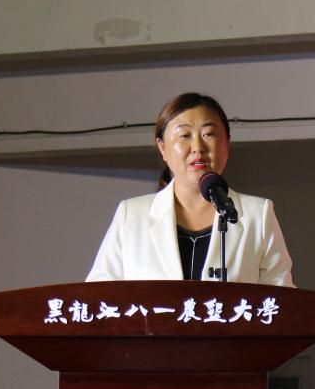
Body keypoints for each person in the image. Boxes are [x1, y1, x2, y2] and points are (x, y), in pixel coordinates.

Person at [87, 92, 295, 286]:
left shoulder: (258, 214)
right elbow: (98, 298)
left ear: (227, 144)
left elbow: (283, 301)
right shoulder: (131, 215)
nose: (198, 147)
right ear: (162, 147)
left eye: (209, 134)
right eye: (184, 135)